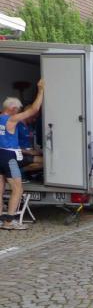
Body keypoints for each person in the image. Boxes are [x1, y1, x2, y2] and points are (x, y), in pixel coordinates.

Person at [0, 80, 44, 230]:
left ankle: (0, 220)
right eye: (18, 110)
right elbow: (34, 109)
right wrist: (40, 90)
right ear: (12, 109)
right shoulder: (11, 119)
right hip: (9, 157)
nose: (18, 112)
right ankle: (9, 222)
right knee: (18, 189)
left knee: (0, 189)